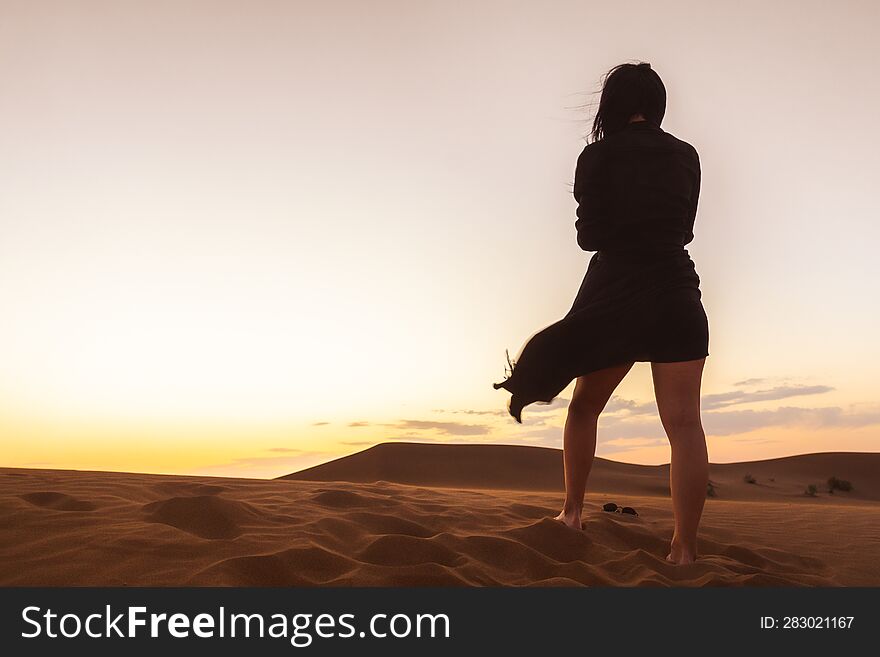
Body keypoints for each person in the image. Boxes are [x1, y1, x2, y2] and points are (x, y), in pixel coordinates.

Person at [492, 61, 709, 565]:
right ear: (656, 106)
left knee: (585, 407)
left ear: (611, 105)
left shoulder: (597, 156)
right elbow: (685, 229)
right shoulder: (686, 155)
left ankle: (571, 513)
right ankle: (685, 550)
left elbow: (588, 236)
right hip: (677, 293)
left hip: (615, 296)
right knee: (685, 427)